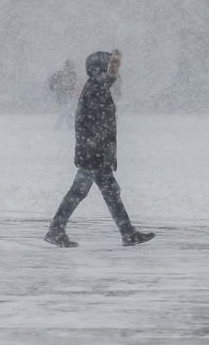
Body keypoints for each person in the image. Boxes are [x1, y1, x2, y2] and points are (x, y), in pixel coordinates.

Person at [45, 50, 154, 248]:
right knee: (83, 192)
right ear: (99, 70)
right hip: (93, 155)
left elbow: (101, 122)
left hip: (95, 154)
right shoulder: (95, 89)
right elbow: (95, 127)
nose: (113, 72)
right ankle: (56, 230)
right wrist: (101, 153)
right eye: (108, 67)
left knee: (105, 193)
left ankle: (127, 232)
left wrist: (114, 65)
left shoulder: (97, 87)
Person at [46, 58, 78, 130]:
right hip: (61, 96)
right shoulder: (58, 74)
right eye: (68, 67)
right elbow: (51, 82)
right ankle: (60, 126)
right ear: (65, 67)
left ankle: (67, 126)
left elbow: (72, 86)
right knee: (64, 111)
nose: (69, 69)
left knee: (68, 111)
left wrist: (68, 87)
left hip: (69, 96)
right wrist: (55, 87)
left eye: (71, 67)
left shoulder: (73, 75)